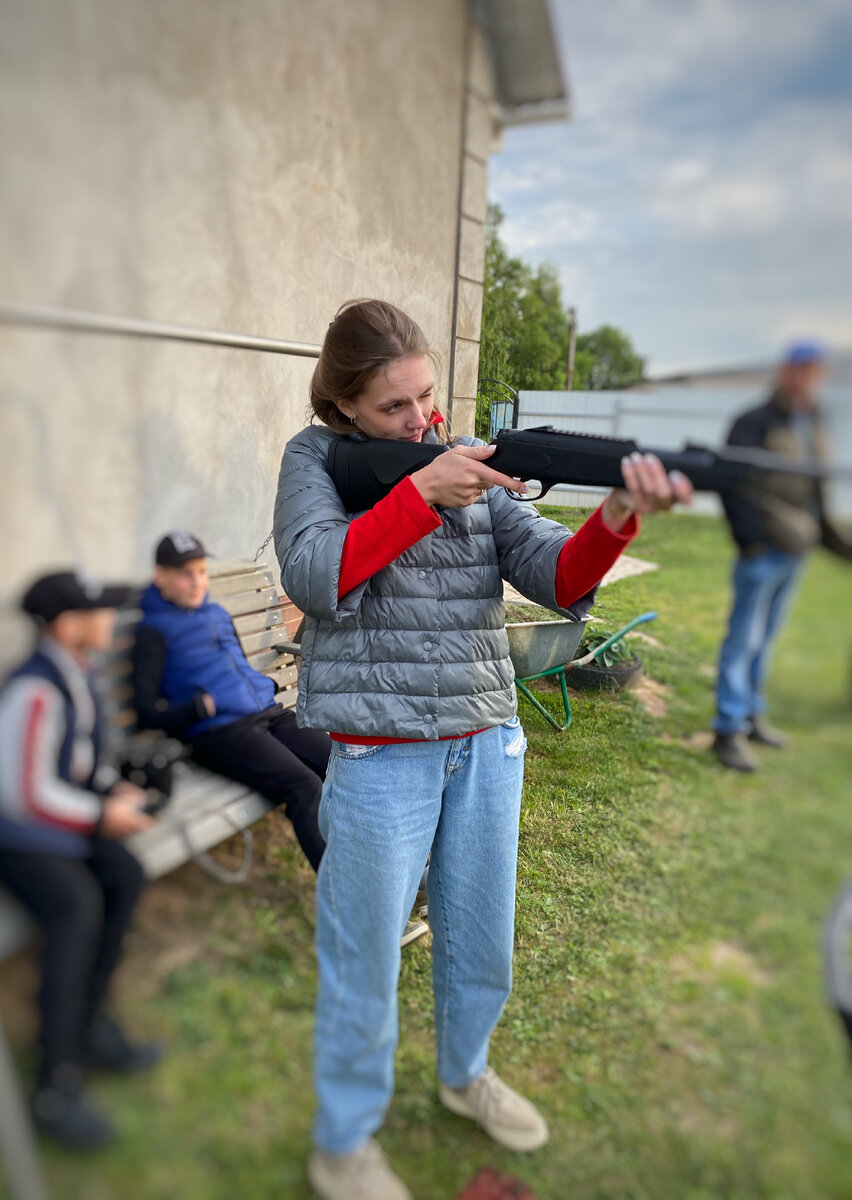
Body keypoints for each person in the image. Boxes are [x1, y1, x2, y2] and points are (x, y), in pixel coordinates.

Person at [273, 299, 693, 1200]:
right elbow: (313, 572)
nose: (421, 420)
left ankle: (466, 1076)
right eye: (393, 409)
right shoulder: (315, 459)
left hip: (486, 741)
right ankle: (344, 1142)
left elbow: (557, 575)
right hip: (381, 753)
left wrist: (618, 512)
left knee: (481, 943)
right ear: (345, 407)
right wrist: (419, 495)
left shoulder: (466, 457)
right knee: (365, 957)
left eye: (426, 396)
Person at [0, 571, 160, 1150]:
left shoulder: (77, 674)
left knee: (125, 872)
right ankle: (54, 1083)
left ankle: (90, 1021)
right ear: (68, 627)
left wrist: (109, 791)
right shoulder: (34, 691)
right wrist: (99, 816)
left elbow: (78, 761)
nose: (109, 621)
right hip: (1, 832)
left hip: (43, 816)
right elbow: (24, 793)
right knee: (76, 903)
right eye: (98, 613)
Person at [132, 531, 330, 874]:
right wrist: (194, 709)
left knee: (339, 764)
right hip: (221, 730)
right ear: (160, 576)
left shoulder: (216, 614)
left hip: (266, 714)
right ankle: (344, 902)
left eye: (201, 571)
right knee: (304, 786)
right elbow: (145, 713)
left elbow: (236, 665)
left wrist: (258, 684)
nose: (196, 582)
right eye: (184, 573)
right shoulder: (153, 631)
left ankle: (383, 870)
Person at [713, 342, 852, 771]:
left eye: (815, 372)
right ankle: (728, 729)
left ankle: (752, 715)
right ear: (786, 371)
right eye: (801, 370)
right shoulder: (755, 422)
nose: (807, 380)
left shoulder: (813, 422)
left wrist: (836, 544)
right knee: (743, 639)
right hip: (763, 551)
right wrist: (752, 542)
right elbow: (732, 484)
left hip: (795, 550)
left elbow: (815, 493)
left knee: (767, 637)